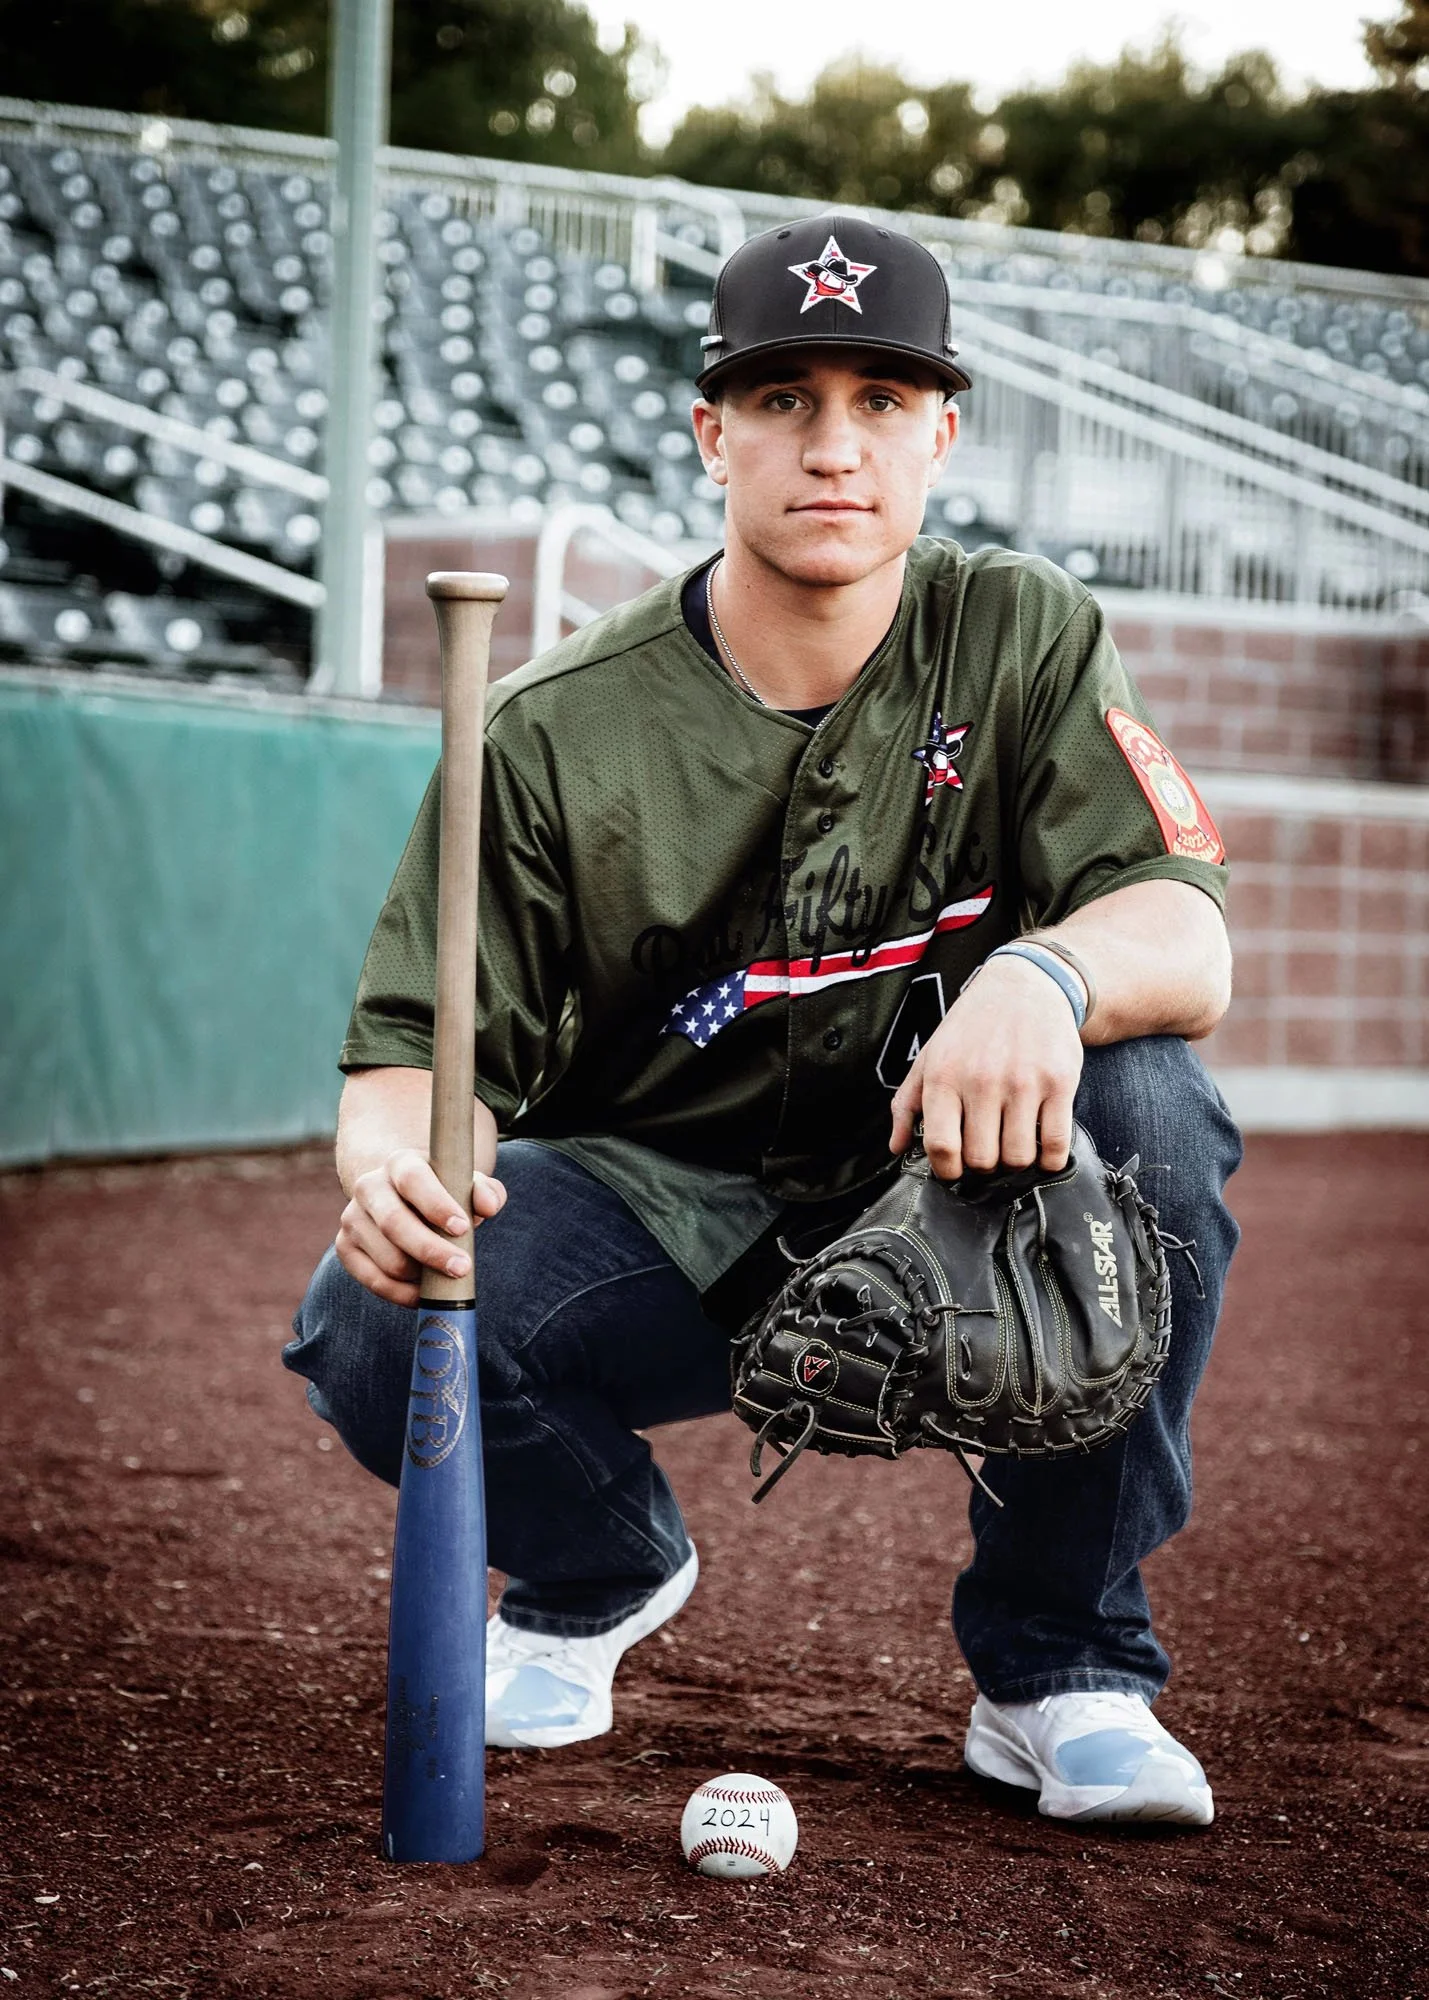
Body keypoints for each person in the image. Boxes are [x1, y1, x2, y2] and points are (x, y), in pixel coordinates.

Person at [286, 212, 1242, 1828]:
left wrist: (1044, 975)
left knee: (1148, 1101)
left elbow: (1187, 932)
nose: (834, 445)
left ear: (944, 432)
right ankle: (598, 1570)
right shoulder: (550, 731)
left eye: (882, 400)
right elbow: (414, 1062)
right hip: (663, 1224)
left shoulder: (1022, 633)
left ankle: (1061, 1665)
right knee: (381, 1310)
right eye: (786, 398)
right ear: (712, 431)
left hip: (955, 1200)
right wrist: (394, 1171)